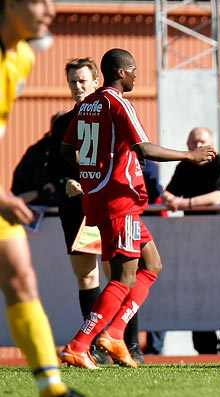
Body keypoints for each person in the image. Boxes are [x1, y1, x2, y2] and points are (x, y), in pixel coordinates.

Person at [58, 48, 216, 370]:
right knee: (123, 277)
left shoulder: (87, 105)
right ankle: (80, 344)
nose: (136, 76)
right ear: (122, 72)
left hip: (100, 198)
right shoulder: (119, 103)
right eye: (133, 71)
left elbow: (65, 151)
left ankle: (115, 334)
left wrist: (91, 173)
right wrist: (189, 156)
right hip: (120, 200)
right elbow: (144, 148)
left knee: (152, 264)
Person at [0, 0, 84, 396]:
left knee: (21, 276)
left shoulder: (21, 58)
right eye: (40, 0)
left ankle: (52, 388)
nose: (52, 9)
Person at [161, 126, 220, 354]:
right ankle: (203, 347)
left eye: (202, 141)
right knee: (198, 292)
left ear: (211, 145)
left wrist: (185, 203)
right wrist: (169, 198)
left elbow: (219, 196)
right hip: (195, 242)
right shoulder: (184, 167)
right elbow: (168, 193)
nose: (197, 146)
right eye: (193, 142)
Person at [11, 114, 61, 207]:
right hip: (38, 211)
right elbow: (18, 191)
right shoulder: (36, 152)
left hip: (71, 211)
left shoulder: (79, 151)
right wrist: (40, 192)